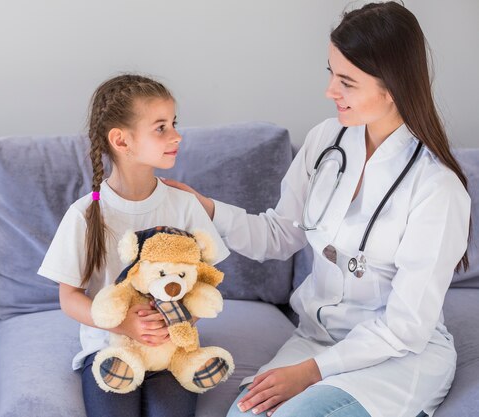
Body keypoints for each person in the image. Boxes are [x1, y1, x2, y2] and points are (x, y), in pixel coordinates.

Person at [163, 3, 471, 417]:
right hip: (316, 341)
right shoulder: (327, 140)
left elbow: (406, 327)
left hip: (394, 359)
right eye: (331, 73)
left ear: (392, 87)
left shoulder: (437, 188)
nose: (330, 91)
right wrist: (207, 209)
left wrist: (311, 372)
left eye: (347, 81)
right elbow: (280, 235)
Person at [37, 74, 229, 417]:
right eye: (161, 128)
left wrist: (180, 323)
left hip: (172, 349)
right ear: (121, 141)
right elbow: (69, 298)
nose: (176, 135)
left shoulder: (184, 204)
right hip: (109, 347)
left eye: (173, 123)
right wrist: (124, 325)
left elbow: (206, 280)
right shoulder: (84, 214)